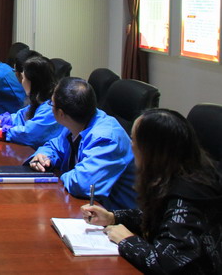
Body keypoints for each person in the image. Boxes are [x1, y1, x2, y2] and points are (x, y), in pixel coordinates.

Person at [82, 109, 222, 273]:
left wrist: (127, 240)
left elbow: (166, 264)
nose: (131, 145)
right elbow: (163, 218)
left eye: (134, 140)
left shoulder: (187, 196)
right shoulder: (181, 172)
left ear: (151, 150)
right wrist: (113, 217)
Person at [29, 77, 136, 210]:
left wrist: (59, 175)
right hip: (85, 207)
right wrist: (44, 157)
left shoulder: (106, 139)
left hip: (114, 215)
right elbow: (55, 146)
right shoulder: (76, 121)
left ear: (61, 113)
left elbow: (83, 184)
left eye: (51, 103)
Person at [0, 55, 63, 149]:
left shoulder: (51, 107)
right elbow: (21, 116)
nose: (21, 82)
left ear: (33, 82)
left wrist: (1, 132)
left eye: (23, 78)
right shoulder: (41, 98)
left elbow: (29, 133)